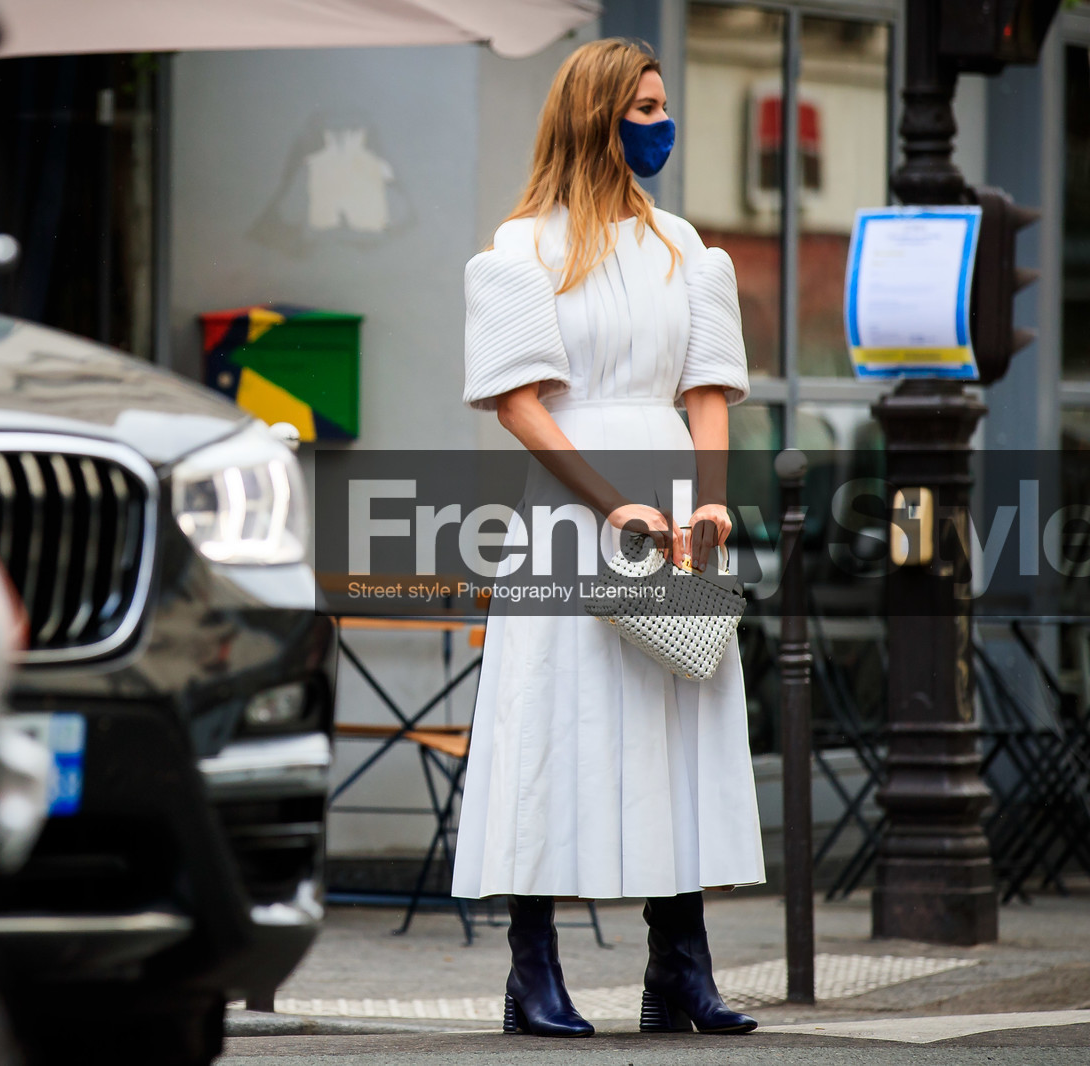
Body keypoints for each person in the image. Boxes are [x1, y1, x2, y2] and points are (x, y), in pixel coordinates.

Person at [452, 38, 764, 1037]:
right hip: (566, 506)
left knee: (678, 719)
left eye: (662, 106)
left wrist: (708, 502)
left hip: (667, 502)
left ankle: (680, 969)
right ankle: (532, 972)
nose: (662, 124)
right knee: (552, 724)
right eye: (645, 108)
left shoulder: (683, 245)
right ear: (596, 116)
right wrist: (607, 503)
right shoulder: (521, 248)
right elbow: (519, 404)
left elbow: (706, 390)